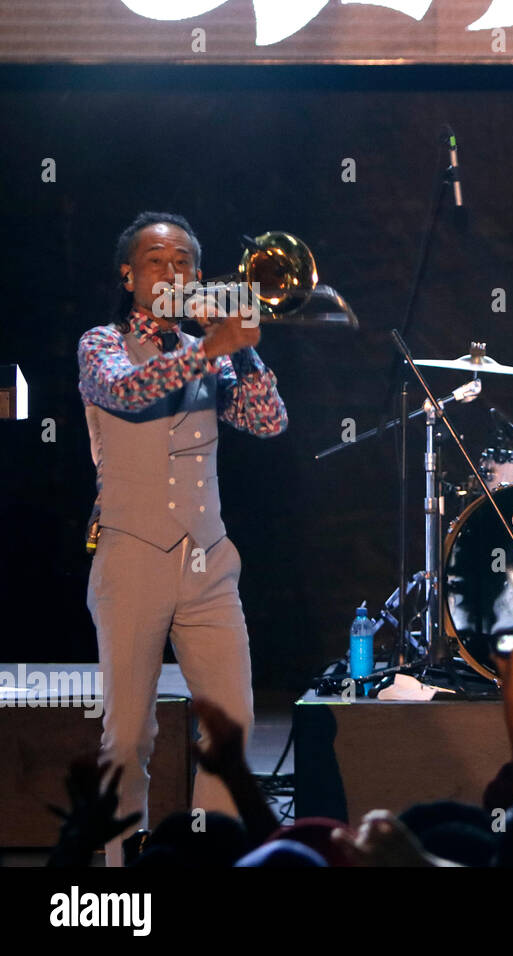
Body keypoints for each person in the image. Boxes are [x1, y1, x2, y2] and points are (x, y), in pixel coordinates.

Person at [77, 212, 287, 865]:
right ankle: (122, 868)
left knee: (233, 725)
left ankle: (210, 856)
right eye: (157, 261)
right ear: (129, 274)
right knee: (130, 734)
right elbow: (128, 393)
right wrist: (211, 347)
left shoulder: (210, 352)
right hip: (132, 552)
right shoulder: (102, 343)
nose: (172, 273)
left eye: (184, 263)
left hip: (208, 557)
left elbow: (268, 419)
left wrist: (244, 345)